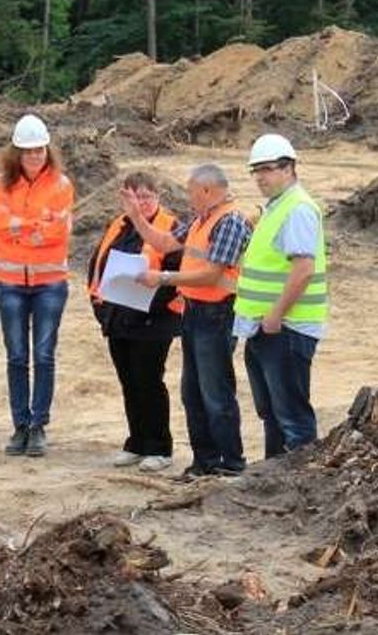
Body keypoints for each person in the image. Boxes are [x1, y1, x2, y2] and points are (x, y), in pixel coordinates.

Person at [123, 164, 252, 478]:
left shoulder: (230, 221)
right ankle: (204, 462)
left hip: (217, 315)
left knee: (215, 392)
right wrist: (137, 216)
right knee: (192, 392)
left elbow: (212, 273)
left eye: (191, 191)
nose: (188, 197)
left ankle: (229, 463)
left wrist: (163, 277)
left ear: (207, 191)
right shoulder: (202, 219)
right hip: (195, 312)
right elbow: (165, 242)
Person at [0, 115, 74, 457]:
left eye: (39, 150)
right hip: (10, 283)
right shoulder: (1, 185)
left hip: (49, 283)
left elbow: (58, 231)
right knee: (17, 356)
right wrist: (35, 226)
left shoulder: (61, 185)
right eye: (28, 152)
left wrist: (21, 228)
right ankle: (20, 425)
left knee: (43, 354)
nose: (35, 157)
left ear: (47, 150)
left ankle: (39, 425)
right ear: (17, 154)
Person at [234, 134, 326, 458]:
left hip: (286, 328)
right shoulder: (277, 208)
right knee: (272, 412)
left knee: (292, 418)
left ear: (289, 169)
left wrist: (275, 315)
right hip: (264, 328)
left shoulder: (297, 209)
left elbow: (303, 269)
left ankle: (301, 488)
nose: (260, 177)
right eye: (255, 170)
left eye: (268, 169)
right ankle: (274, 481)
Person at [87, 172, 183, 472]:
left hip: (153, 322)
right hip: (117, 320)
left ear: (158, 197)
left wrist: (147, 308)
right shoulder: (117, 225)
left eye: (146, 196)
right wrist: (101, 309)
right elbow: (97, 268)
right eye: (134, 197)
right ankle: (137, 442)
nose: (141, 203)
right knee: (129, 382)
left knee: (149, 382)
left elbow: (175, 277)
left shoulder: (172, 228)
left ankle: (160, 446)